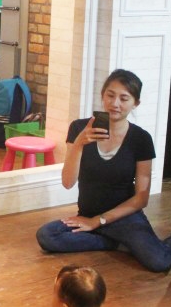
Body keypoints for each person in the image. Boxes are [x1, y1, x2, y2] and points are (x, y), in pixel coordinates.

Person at [35, 69, 171, 272]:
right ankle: (114, 243)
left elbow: (141, 198)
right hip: (87, 214)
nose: (115, 103)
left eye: (124, 98)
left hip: (124, 217)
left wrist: (97, 222)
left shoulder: (141, 139)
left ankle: (123, 239)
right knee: (47, 236)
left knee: (159, 262)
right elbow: (68, 182)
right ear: (102, 95)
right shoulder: (79, 128)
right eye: (110, 95)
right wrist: (79, 143)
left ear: (135, 103)